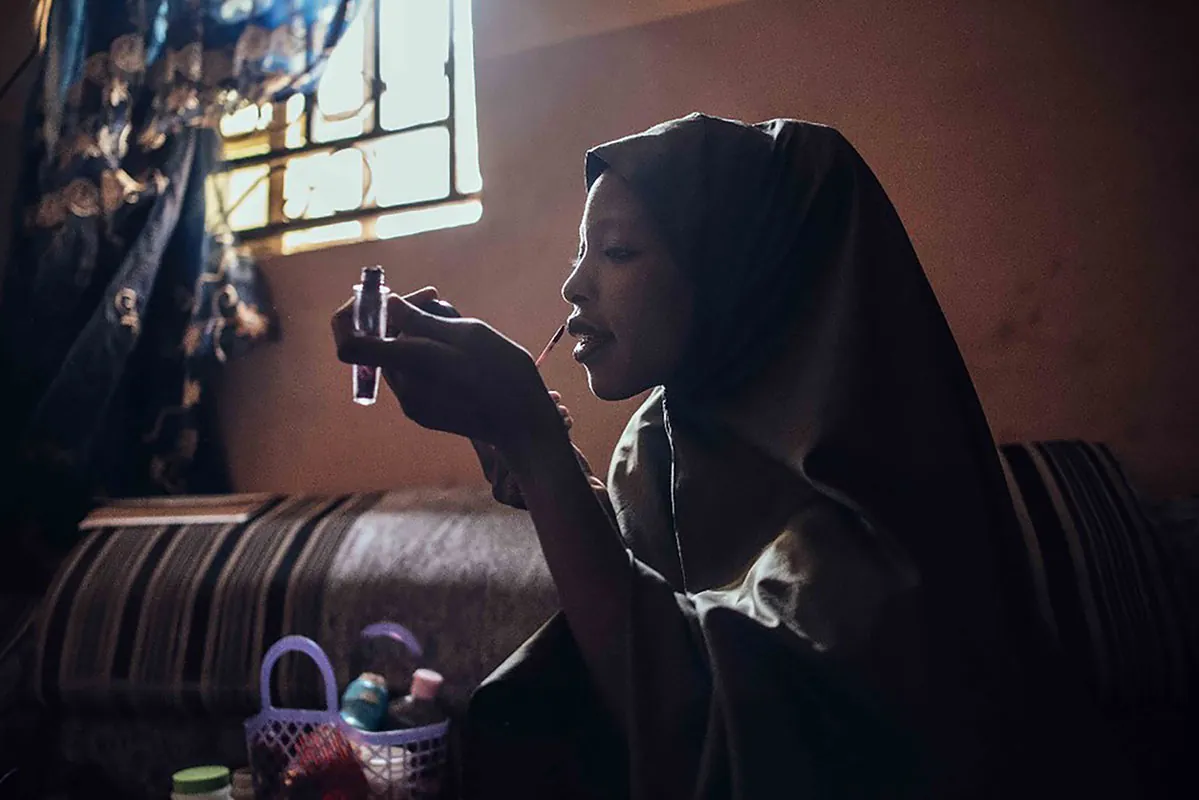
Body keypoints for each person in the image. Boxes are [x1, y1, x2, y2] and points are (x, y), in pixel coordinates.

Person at [332, 114, 1130, 798]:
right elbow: (657, 625)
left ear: (741, 276)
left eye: (614, 254)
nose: (573, 286)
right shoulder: (659, 441)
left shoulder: (867, 495)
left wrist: (537, 450)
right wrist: (530, 452)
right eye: (581, 253)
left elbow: (719, 732)